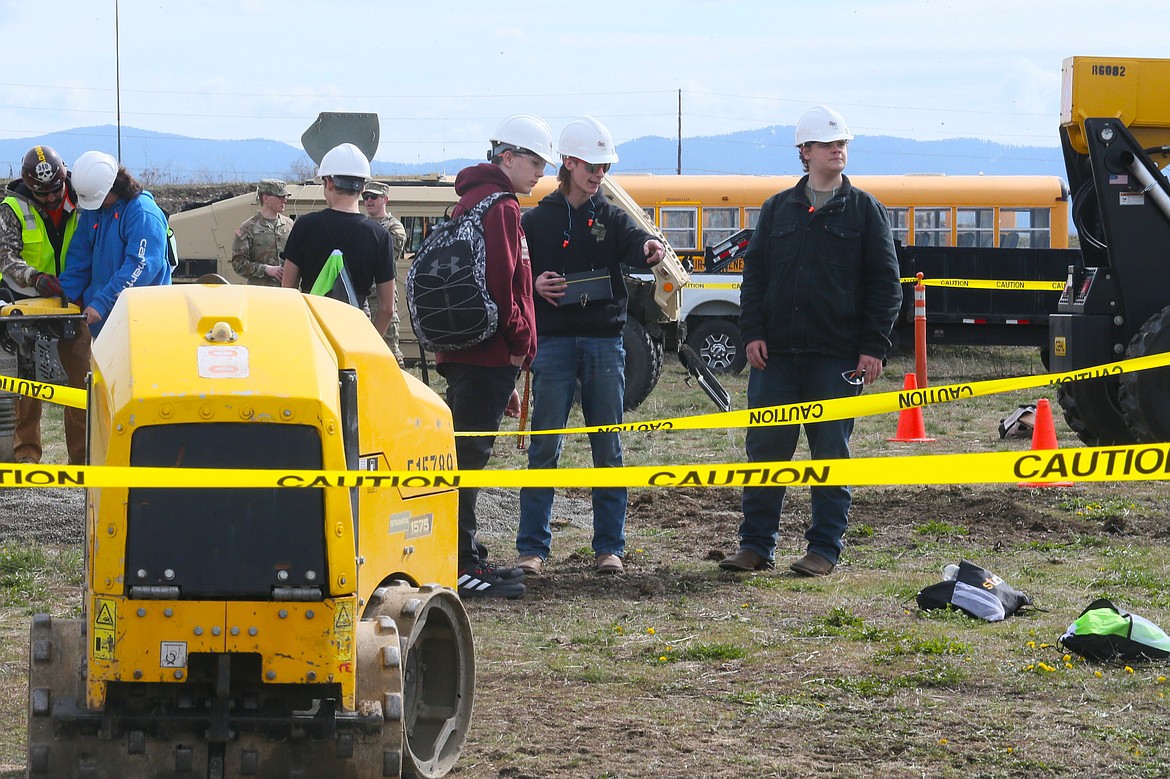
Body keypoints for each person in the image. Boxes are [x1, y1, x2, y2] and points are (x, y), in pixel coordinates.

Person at [719, 105, 902, 577]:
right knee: (765, 453)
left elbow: (886, 284)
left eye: (842, 143)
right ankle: (756, 546)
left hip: (836, 356)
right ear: (805, 152)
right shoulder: (777, 209)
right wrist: (751, 333)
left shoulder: (865, 210)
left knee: (830, 455)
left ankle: (824, 549)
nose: (837, 150)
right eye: (827, 144)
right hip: (776, 357)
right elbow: (754, 278)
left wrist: (873, 346)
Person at [514, 116, 665, 577]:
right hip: (554, 344)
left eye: (603, 166)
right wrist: (535, 282)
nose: (599, 173)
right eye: (591, 165)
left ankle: (608, 548)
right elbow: (518, 272)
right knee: (544, 448)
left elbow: (637, 240)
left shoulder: (613, 215)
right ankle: (533, 550)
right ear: (570, 163)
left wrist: (652, 248)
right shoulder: (536, 220)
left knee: (609, 447)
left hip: (605, 342)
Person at [435, 114, 556, 599]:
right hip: (489, 352)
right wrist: (521, 341)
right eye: (533, 161)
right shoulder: (501, 207)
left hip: (463, 348)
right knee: (468, 460)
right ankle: (459, 563)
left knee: (464, 452)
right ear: (506, 157)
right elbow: (506, 285)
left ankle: (465, 553)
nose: (540, 173)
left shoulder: (468, 200)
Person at [0, 146, 89, 464]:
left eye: (55, 191)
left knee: (81, 379)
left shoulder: (82, 200)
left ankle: (81, 458)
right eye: (43, 193)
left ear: (64, 178)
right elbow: (6, 257)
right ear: (28, 185)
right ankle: (25, 456)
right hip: (22, 304)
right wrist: (36, 278)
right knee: (25, 383)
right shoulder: (12, 207)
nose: (51, 199)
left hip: (71, 302)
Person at [281, 143, 395, 337]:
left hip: (313, 330)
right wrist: (369, 343)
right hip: (355, 331)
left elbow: (287, 293)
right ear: (363, 186)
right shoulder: (379, 235)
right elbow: (387, 309)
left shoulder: (304, 226)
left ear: (330, 183)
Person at [59, 151, 172, 340]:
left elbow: (140, 267)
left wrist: (102, 302)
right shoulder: (95, 211)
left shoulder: (142, 213)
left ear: (113, 187)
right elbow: (79, 259)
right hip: (103, 324)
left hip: (141, 322)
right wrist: (62, 297)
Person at [362, 180, 407, 365]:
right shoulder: (360, 224)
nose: (369, 200)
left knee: (389, 352)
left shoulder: (394, 228)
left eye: (374, 197)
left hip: (381, 299)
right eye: (366, 197)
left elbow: (382, 259)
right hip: (361, 298)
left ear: (385, 199)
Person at [230, 179, 293, 286]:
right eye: (280, 197)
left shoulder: (290, 225)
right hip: (259, 293)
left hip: (286, 292)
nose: (284, 201)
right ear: (266, 198)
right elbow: (238, 264)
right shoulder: (248, 228)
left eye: (285, 197)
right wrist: (265, 269)